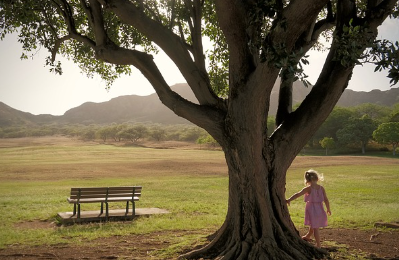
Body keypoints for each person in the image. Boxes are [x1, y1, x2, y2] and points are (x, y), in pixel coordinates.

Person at [286, 169, 331, 248]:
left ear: (307, 180)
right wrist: (328, 209)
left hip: (312, 209)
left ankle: (318, 245)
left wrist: (289, 199)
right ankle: (308, 236)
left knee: (315, 227)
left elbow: (297, 194)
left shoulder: (308, 189)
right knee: (313, 224)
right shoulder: (321, 188)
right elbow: (326, 199)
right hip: (320, 209)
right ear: (317, 178)